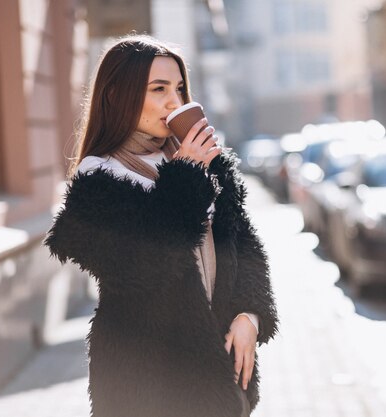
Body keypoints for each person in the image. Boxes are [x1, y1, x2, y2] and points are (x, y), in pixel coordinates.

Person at [44, 34, 278, 417]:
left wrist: (250, 315)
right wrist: (185, 175)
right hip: (146, 387)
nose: (175, 101)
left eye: (180, 88)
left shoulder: (207, 163)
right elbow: (145, 266)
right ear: (117, 96)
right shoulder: (97, 179)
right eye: (159, 89)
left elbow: (245, 246)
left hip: (222, 378)